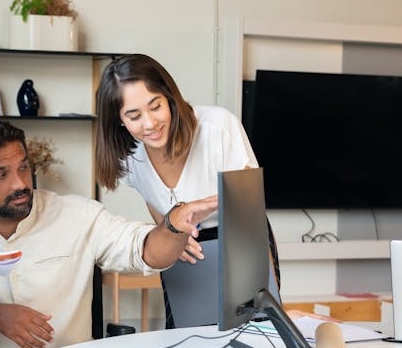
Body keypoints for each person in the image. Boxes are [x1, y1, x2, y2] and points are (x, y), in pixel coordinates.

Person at [0, 118, 218, 348]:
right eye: (1, 174)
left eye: (24, 167)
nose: (20, 183)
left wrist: (174, 224)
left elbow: (145, 250)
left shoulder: (77, 214)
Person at [94, 53, 281, 329]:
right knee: (184, 332)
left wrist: (266, 288)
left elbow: (247, 206)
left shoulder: (217, 127)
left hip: (239, 236)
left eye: (155, 106)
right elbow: (153, 198)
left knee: (256, 329)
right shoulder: (130, 156)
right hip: (182, 246)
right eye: (134, 116)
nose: (149, 123)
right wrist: (169, 233)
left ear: (169, 97)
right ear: (120, 120)